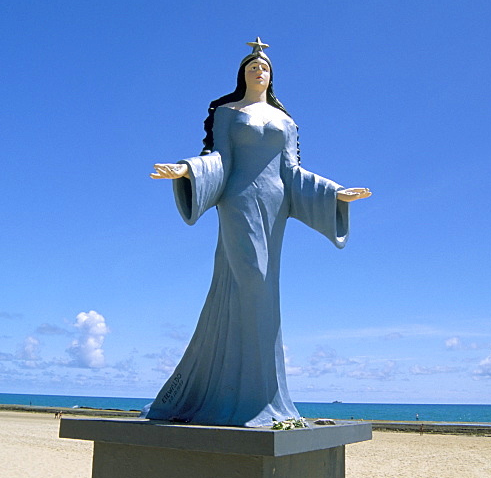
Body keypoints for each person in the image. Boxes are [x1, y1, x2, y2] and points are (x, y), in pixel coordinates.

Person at [146, 39, 371, 427]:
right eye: (252, 66)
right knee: (252, 280)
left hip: (275, 207)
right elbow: (220, 159)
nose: (258, 70)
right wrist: (187, 170)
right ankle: (243, 396)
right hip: (238, 202)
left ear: (271, 76)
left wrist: (335, 193)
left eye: (264, 67)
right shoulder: (227, 112)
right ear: (243, 73)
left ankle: (260, 399)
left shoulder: (285, 121)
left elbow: (292, 173)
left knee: (264, 291)